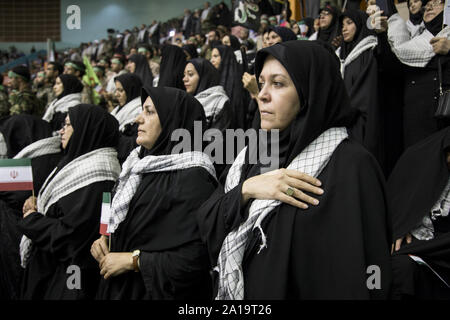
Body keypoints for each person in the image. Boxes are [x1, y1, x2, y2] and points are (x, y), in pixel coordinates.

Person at [197, 41, 391, 299]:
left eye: (278, 83)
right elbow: (206, 220)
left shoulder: (353, 166)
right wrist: (246, 190)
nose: (262, 94)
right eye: (262, 82)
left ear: (311, 92)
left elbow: (371, 272)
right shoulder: (255, 153)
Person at [93, 86, 217, 300]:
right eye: (142, 110)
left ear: (172, 120)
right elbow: (115, 207)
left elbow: (196, 260)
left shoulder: (194, 178)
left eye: (150, 112)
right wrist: (105, 236)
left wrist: (134, 261)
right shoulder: (135, 164)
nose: (137, 119)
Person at [17, 104, 121, 300]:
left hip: (70, 278)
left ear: (85, 130)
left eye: (68, 125)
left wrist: (33, 219)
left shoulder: (100, 176)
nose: (61, 131)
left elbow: (73, 236)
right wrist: (41, 202)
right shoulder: (77, 161)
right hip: (50, 268)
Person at [388, 128, 450, 299]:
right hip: (416, 259)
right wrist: (401, 224)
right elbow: (397, 212)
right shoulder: (420, 157)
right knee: (395, 269)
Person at [388, 0, 450, 147]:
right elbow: (393, 68)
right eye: (428, 3)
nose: (429, 6)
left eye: (437, 2)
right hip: (416, 121)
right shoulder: (412, 39)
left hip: (443, 117)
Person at [337, 9, 384, 167]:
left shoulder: (368, 51)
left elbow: (365, 93)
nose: (344, 28)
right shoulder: (343, 55)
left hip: (361, 122)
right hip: (345, 121)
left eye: (349, 23)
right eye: (342, 24)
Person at [211, 44, 248, 129]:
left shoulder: (237, 82)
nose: (212, 60)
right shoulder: (214, 78)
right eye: (211, 57)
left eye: (215, 56)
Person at [111, 73, 142, 163]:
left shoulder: (138, 111)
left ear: (130, 90)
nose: (116, 94)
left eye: (121, 90)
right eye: (116, 90)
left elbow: (134, 142)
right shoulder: (118, 109)